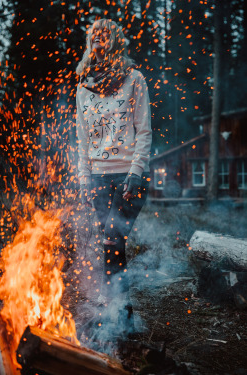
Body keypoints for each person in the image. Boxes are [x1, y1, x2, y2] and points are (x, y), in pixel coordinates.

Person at [75, 18, 152, 335]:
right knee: (111, 246)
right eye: (95, 38)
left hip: (128, 177)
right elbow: (82, 140)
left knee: (111, 240)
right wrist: (83, 181)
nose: (100, 43)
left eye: (106, 38)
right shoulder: (82, 87)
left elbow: (144, 132)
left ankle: (120, 313)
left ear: (117, 43)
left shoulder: (134, 79)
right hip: (97, 179)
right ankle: (120, 315)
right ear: (90, 46)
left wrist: (136, 172)